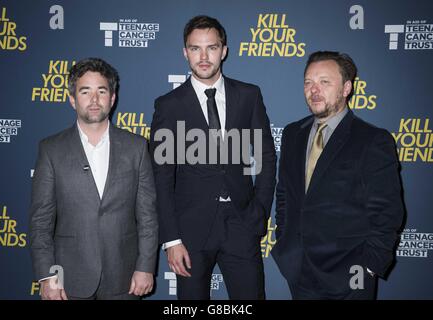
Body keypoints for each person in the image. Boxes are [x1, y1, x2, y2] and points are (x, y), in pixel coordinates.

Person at [150, 15, 276, 299]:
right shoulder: (168, 106)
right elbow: (161, 175)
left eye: (212, 47)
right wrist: (171, 239)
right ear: (185, 52)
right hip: (190, 230)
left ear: (224, 50)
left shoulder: (248, 96)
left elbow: (266, 157)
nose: (204, 57)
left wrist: (260, 212)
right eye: (195, 48)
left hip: (241, 225)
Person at [271, 51, 404, 300]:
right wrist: (286, 243)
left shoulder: (372, 140)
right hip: (298, 271)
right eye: (308, 82)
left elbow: (387, 215)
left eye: (325, 82)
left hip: (349, 277)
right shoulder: (292, 134)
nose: (314, 90)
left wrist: (367, 269)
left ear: (346, 88)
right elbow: (284, 195)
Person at [29, 58, 158, 300]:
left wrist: (145, 266)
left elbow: (148, 216)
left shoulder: (137, 147)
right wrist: (47, 275)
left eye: (101, 91)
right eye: (85, 91)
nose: (94, 99)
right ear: (72, 99)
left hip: (125, 278)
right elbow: (40, 220)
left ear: (112, 98)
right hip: (67, 281)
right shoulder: (51, 149)